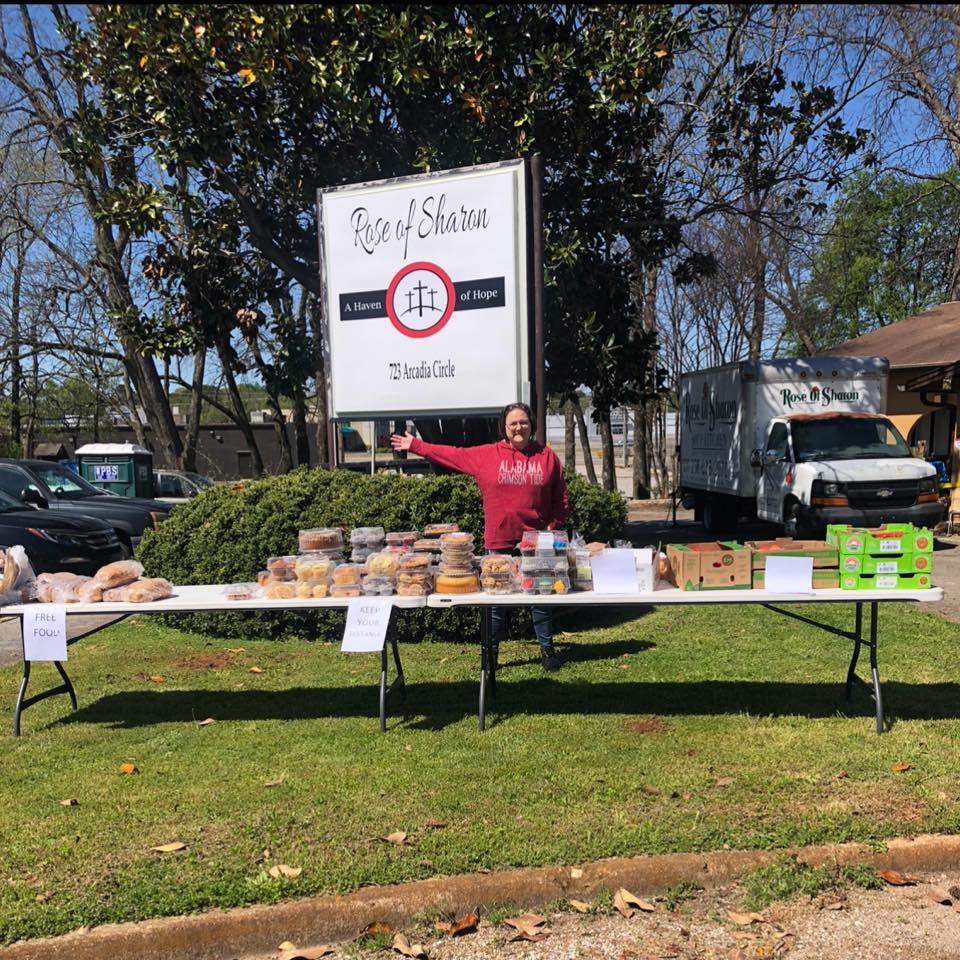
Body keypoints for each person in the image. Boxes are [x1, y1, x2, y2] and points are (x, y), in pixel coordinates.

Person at [390, 402, 568, 671]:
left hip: (536, 541)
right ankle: (491, 654)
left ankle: (547, 650)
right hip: (498, 541)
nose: (519, 427)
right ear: (504, 428)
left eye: (523, 422)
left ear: (531, 425)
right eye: (513, 423)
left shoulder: (547, 457)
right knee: (495, 603)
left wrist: (552, 528)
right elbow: (451, 454)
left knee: (540, 597)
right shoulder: (488, 455)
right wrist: (416, 445)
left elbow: (560, 498)